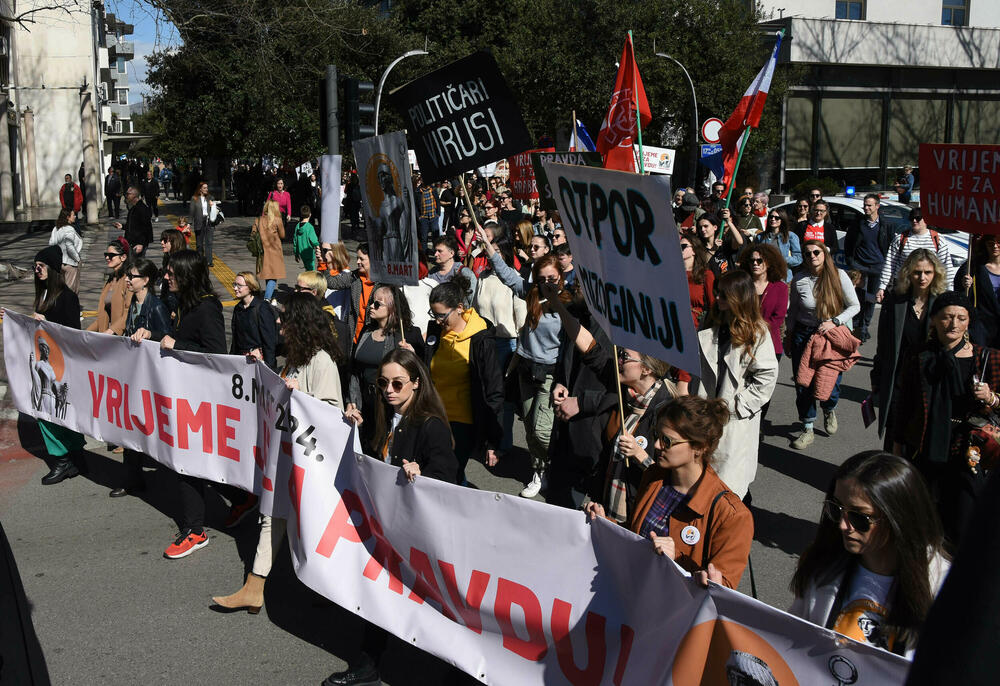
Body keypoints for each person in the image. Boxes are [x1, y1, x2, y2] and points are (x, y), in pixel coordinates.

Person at [322, 348, 456, 686]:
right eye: (382, 383)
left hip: (419, 531)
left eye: (397, 383)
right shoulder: (384, 413)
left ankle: (457, 668)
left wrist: (423, 473)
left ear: (416, 382)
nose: (388, 390)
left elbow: (449, 479)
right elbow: (373, 460)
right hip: (387, 524)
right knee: (380, 589)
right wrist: (355, 426)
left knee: (428, 600)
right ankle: (368, 664)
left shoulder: (431, 425)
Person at [213, 292, 345, 614]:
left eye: (284, 318)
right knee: (271, 517)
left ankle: (335, 595)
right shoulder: (298, 358)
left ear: (298, 323)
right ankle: (254, 587)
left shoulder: (321, 362)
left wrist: (304, 397)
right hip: (287, 458)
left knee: (308, 527)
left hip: (309, 465)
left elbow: (332, 413)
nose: (278, 323)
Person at [585, 395, 754, 590]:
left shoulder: (732, 515)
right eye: (657, 435)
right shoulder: (654, 476)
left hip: (674, 607)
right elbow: (637, 534)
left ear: (699, 447)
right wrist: (606, 523)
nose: (657, 445)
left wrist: (676, 559)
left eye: (667, 440)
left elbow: (723, 591)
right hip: (635, 593)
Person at [790, 451, 949, 657]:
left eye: (859, 517)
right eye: (836, 509)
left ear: (898, 518)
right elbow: (792, 638)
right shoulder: (821, 565)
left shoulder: (944, 587)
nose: (842, 525)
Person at [131, 250, 230, 559]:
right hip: (186, 394)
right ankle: (242, 501)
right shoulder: (186, 303)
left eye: (172, 273)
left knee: (186, 464)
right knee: (192, 463)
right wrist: (154, 335)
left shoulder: (207, 309)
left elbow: (217, 354)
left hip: (200, 399)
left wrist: (179, 345)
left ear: (187, 276)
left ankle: (195, 531)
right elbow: (176, 338)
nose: (166, 277)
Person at [892, 291, 1000, 545]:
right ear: (934, 319)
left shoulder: (988, 358)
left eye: (961, 318)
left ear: (969, 322)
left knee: (964, 522)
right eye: (947, 317)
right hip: (925, 446)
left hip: (970, 450)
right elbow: (904, 405)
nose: (954, 324)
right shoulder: (919, 356)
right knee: (923, 521)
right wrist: (897, 451)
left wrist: (991, 397)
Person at [691, 271, 778, 499]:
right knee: (703, 478)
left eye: (723, 294)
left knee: (731, 485)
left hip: (735, 421)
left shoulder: (757, 333)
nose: (717, 298)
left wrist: (736, 406)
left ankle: (738, 519)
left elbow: (767, 378)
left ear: (738, 297)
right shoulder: (711, 325)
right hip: (706, 415)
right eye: (717, 292)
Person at [16, 246, 87, 485]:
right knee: (51, 412)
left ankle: (64, 459)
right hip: (46, 364)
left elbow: (72, 334)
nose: (37, 270)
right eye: (35, 266)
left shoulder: (67, 297)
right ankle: (73, 457)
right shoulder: (44, 294)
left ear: (53, 269)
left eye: (41, 266)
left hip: (62, 366)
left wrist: (47, 323)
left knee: (52, 412)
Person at [425, 278, 503, 484]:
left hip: (463, 423)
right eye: (434, 314)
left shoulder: (481, 340)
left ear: (459, 308)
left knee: (450, 473)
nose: (438, 321)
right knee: (436, 470)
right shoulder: (436, 331)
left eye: (442, 315)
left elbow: (494, 389)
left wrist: (493, 440)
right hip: (434, 416)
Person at [787, 240, 860, 449]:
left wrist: (834, 321)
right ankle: (807, 427)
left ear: (824, 254)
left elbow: (854, 306)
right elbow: (793, 311)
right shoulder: (799, 279)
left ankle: (829, 408)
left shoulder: (839, 275)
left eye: (816, 252)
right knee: (803, 383)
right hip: (804, 335)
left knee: (831, 383)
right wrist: (789, 336)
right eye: (807, 253)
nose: (812, 256)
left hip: (831, 335)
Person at [871, 250, 946, 450]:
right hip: (899, 377)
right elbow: (883, 345)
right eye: (917, 272)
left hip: (929, 379)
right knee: (895, 432)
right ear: (908, 273)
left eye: (928, 272)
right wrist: (877, 378)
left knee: (921, 435)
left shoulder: (942, 303)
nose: (922, 277)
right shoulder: (896, 301)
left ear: (936, 274)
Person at [110, 257, 171, 498]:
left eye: (132, 276)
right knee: (131, 428)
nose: (127, 279)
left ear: (145, 280)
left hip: (151, 380)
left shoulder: (156, 306)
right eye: (127, 275)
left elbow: (167, 338)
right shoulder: (134, 303)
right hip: (134, 376)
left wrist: (151, 334)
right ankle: (132, 479)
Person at [349, 284, 424, 451]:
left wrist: (412, 355)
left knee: (386, 448)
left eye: (377, 304)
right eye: (372, 302)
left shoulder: (408, 334)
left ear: (392, 307)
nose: (371, 306)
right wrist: (352, 401)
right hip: (364, 402)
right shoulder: (367, 331)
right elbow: (356, 369)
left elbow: (422, 372)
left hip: (389, 403)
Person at [845, 194, 897, 343]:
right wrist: (852, 263)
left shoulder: (886, 225)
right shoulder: (857, 225)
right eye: (865, 205)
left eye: (869, 205)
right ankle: (856, 326)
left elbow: (890, 246)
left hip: (878, 267)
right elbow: (849, 244)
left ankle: (865, 326)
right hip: (860, 267)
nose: (866, 208)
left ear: (877, 206)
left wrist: (887, 265)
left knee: (871, 299)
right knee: (857, 297)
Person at [878, 208, 954, 302]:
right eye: (911, 218)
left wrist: (950, 290)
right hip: (903, 286)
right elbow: (890, 264)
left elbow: (946, 266)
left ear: (926, 220)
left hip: (928, 287)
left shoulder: (938, 239)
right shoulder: (900, 239)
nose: (914, 221)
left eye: (918, 218)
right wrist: (882, 287)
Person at [324, 243, 376, 344]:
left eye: (362, 259)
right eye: (357, 258)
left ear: (373, 260)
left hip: (371, 337)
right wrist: (324, 263)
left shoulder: (382, 283)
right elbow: (331, 283)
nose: (358, 262)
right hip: (354, 336)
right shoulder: (354, 276)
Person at [956, 235, 1000, 347]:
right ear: (985, 244)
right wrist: (965, 284)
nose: (995, 246)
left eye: (998, 242)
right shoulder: (973, 266)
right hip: (982, 327)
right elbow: (960, 293)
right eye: (990, 243)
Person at [230, 271, 278, 371]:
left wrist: (269, 369)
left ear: (251, 287)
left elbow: (269, 342)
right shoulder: (238, 308)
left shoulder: (262, 308)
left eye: (239, 285)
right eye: (234, 284)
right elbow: (235, 340)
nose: (235, 288)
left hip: (259, 362)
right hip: (242, 363)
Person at [86, 237, 133, 335]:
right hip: (108, 335)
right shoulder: (111, 279)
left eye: (111, 255)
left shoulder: (128, 280)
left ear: (123, 257)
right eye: (106, 255)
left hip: (121, 336)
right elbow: (101, 317)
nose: (107, 258)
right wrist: (85, 333)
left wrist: (112, 330)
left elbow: (129, 312)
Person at [754, 208, 800, 282]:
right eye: (771, 217)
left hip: (784, 277)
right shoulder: (760, 237)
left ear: (782, 219)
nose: (773, 219)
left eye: (777, 218)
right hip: (765, 276)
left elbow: (798, 258)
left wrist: (782, 259)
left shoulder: (791, 236)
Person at [253, 199, 286, 302]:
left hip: (262, 251)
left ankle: (270, 295)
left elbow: (253, 235)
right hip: (274, 250)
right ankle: (267, 298)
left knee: (268, 274)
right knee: (273, 275)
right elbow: (282, 235)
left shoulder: (258, 220)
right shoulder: (277, 220)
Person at [428, 235, 477, 304]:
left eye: (440, 251)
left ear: (451, 253)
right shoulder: (431, 273)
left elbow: (473, 301)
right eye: (435, 251)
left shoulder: (464, 273)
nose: (435, 254)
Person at [681, 236, 715, 328]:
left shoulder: (706, 275)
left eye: (683, 246)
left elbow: (713, 306)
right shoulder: (673, 275)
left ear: (694, 251)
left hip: (696, 327)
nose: (679, 249)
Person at [48, 209, 82, 293]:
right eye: (73, 215)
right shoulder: (69, 229)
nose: (75, 217)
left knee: (60, 288)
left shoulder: (56, 228)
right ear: (68, 217)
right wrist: (77, 259)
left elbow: (51, 243)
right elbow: (69, 246)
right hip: (70, 263)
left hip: (59, 262)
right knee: (71, 290)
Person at [114, 186, 153, 256]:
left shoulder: (142, 208)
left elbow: (146, 228)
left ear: (134, 195)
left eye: (128, 194)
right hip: (132, 243)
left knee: (138, 262)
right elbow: (133, 226)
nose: (126, 196)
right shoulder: (133, 208)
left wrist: (141, 244)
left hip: (138, 244)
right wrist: (122, 226)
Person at [190, 181, 217, 266]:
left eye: (207, 188)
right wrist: (189, 223)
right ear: (200, 189)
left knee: (209, 242)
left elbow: (215, 208)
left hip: (209, 222)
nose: (206, 189)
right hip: (199, 222)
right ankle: (200, 260)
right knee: (199, 244)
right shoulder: (194, 198)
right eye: (204, 188)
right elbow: (191, 211)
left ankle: (209, 261)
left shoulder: (210, 197)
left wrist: (213, 205)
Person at [292, 205, 319, 271]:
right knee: (311, 270)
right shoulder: (309, 227)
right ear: (310, 214)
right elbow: (313, 240)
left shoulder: (297, 226)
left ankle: (307, 276)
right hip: (309, 251)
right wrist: (317, 246)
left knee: (307, 268)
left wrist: (296, 254)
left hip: (301, 251)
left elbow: (295, 241)